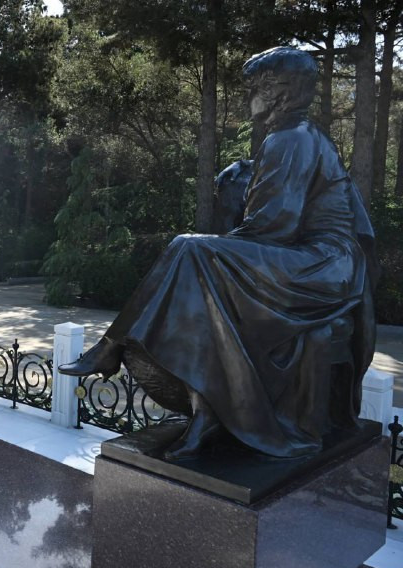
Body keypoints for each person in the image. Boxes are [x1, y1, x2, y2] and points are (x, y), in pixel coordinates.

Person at [59, 47, 377, 460]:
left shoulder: (290, 138)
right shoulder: (302, 135)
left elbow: (273, 226)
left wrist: (220, 248)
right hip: (323, 263)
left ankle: (110, 347)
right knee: (200, 270)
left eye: (255, 87)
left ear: (278, 91)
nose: (249, 97)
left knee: (190, 248)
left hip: (323, 264)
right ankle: (206, 412)